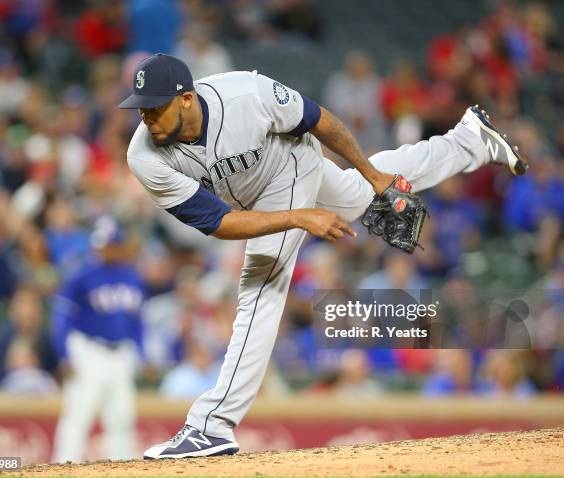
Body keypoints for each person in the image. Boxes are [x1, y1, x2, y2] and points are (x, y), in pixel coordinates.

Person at [118, 53, 527, 459]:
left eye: (155, 107)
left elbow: (319, 120)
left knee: (260, 287)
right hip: (254, 199)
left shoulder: (245, 94)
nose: (147, 118)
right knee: (354, 198)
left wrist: (372, 172)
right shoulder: (144, 157)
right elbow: (219, 223)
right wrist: (305, 215)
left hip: (291, 160)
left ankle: (212, 426)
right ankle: (469, 141)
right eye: (141, 109)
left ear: (186, 99)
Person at [50, 215, 147, 463]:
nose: (103, 250)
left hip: (121, 354)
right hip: (87, 351)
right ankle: (63, 467)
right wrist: (64, 354)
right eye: (100, 245)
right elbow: (62, 318)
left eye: (109, 245)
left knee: (122, 418)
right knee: (78, 416)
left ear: (119, 245)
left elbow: (137, 322)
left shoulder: (132, 277)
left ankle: (123, 468)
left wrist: (141, 352)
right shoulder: (81, 276)